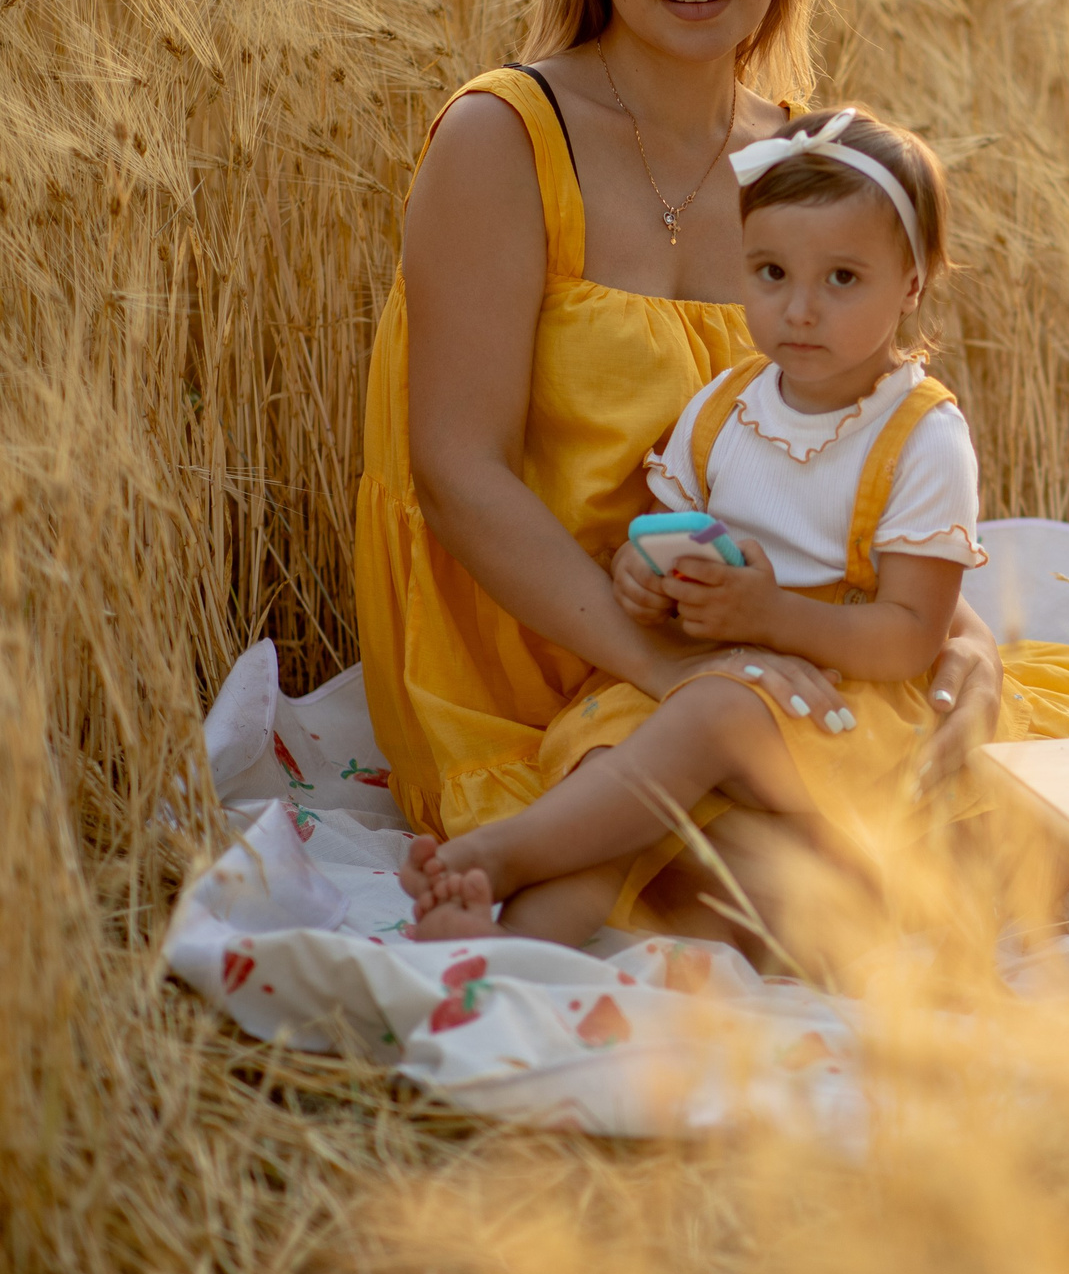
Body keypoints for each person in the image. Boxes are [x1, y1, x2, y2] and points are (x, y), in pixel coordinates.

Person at [356, 0, 1069, 956]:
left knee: (1012, 790)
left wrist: (961, 640)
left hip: (785, 641)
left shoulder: (812, 166)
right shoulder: (504, 136)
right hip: (573, 650)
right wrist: (674, 676)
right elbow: (457, 474)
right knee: (815, 887)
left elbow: (877, 454)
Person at [403, 107, 1010, 941]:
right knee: (617, 784)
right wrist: (641, 578)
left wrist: (770, 619)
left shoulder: (923, 438)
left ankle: (499, 855)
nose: (799, 310)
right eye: (770, 273)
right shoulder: (724, 408)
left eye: (842, 279)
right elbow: (655, 532)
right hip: (717, 665)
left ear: (910, 285)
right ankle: (511, 941)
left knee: (712, 715)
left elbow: (911, 634)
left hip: (847, 701)